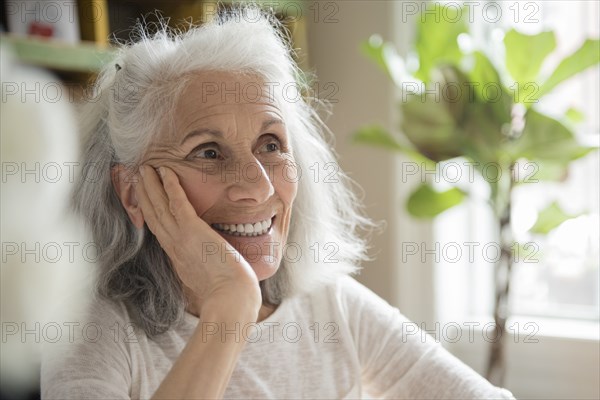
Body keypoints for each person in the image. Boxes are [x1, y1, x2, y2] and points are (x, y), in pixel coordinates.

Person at [41, 6, 515, 399]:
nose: (259, 187)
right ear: (133, 192)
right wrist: (230, 309)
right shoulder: (91, 330)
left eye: (270, 144)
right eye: (208, 152)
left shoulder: (329, 304)